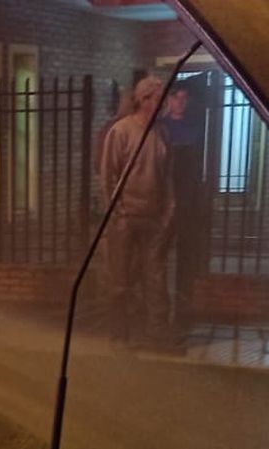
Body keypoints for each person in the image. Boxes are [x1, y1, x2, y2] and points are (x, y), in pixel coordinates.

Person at [99, 75, 175, 349]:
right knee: (121, 279)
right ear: (144, 100)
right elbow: (108, 177)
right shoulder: (121, 132)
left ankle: (157, 333)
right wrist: (117, 214)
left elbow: (167, 178)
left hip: (154, 218)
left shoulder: (162, 133)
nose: (163, 103)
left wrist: (168, 211)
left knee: (156, 278)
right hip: (126, 219)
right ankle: (120, 334)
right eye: (158, 97)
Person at [162, 84, 206, 332]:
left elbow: (195, 166)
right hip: (165, 200)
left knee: (186, 257)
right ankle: (161, 309)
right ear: (169, 100)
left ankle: (182, 310)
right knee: (159, 255)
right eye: (176, 97)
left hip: (187, 200)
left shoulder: (193, 128)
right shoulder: (161, 129)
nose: (181, 102)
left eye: (184, 98)